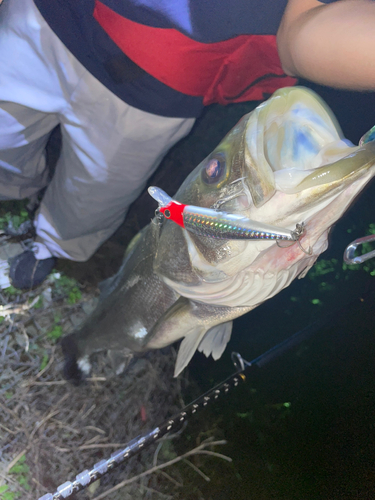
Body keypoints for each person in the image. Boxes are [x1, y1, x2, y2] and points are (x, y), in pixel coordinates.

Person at [0, 0, 374, 290]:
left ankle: (50, 246)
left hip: (158, 81)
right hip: (44, 13)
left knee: (92, 197)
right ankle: (19, 194)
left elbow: (303, 40)